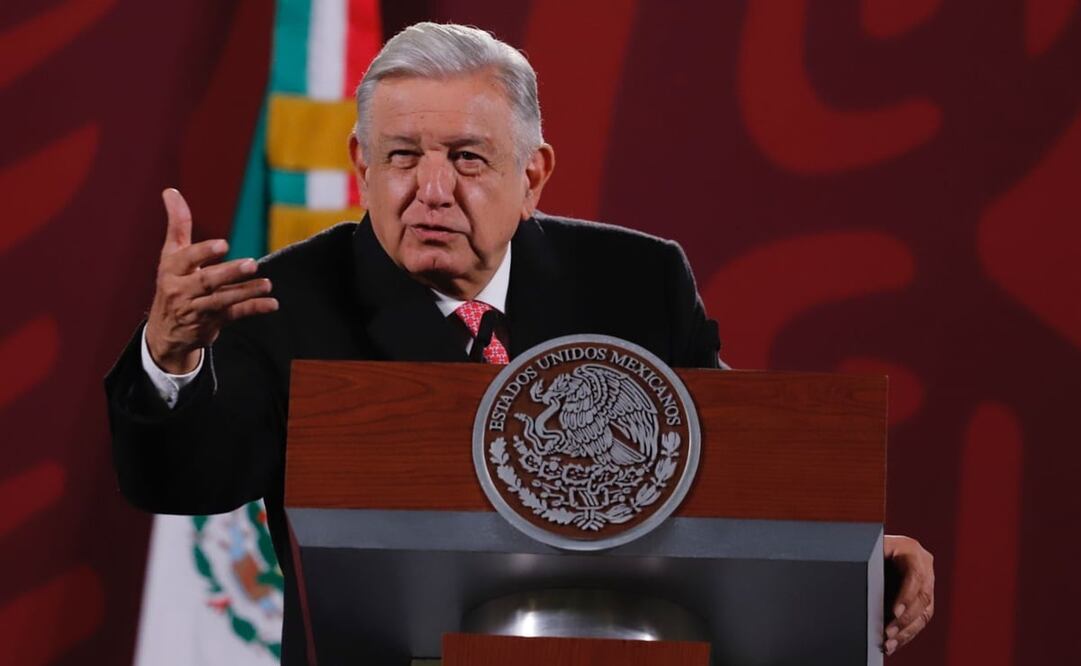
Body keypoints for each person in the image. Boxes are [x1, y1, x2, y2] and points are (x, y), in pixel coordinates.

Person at [106, 22, 933, 664]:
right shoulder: (287, 300)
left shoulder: (634, 281)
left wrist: (853, 549)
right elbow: (189, 482)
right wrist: (171, 359)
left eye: (467, 159)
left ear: (533, 174)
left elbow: (722, 470)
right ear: (361, 163)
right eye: (402, 158)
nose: (431, 191)